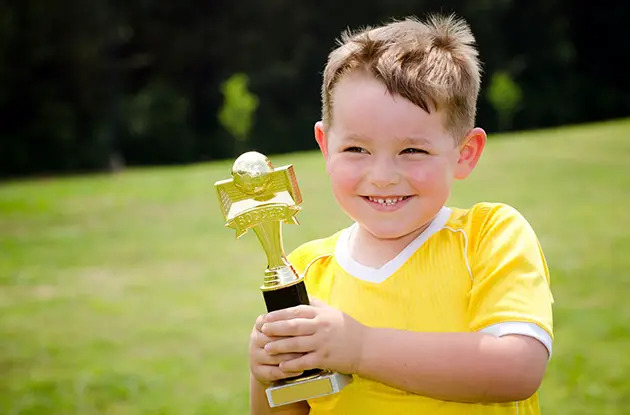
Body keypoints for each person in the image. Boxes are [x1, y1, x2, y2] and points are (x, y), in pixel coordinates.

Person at [249, 13, 554, 415]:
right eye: (356, 149)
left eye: (412, 150)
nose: (382, 177)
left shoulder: (489, 236)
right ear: (325, 146)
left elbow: (517, 368)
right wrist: (268, 372)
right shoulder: (306, 271)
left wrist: (359, 347)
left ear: (464, 154)